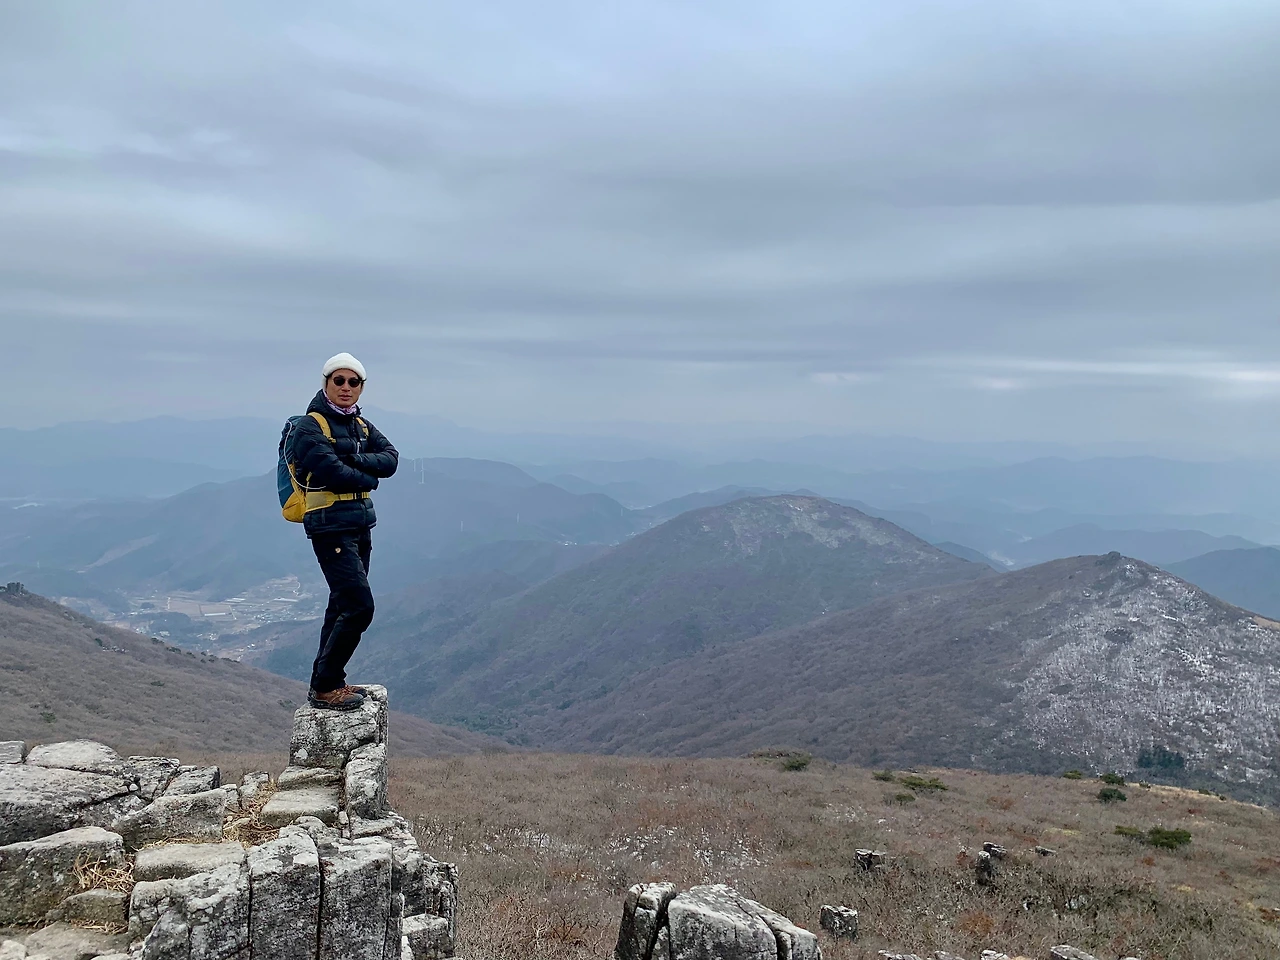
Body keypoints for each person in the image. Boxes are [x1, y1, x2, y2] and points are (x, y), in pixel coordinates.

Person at [290, 352, 399, 711]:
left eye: (354, 382)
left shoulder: (360, 425)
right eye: (339, 380)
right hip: (329, 525)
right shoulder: (310, 427)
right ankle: (326, 685)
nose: (346, 387)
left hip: (360, 523)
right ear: (326, 384)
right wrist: (368, 475)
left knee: (340, 606)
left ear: (361, 387)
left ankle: (325, 682)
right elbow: (333, 473)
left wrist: (352, 458)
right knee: (358, 606)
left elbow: (391, 459)